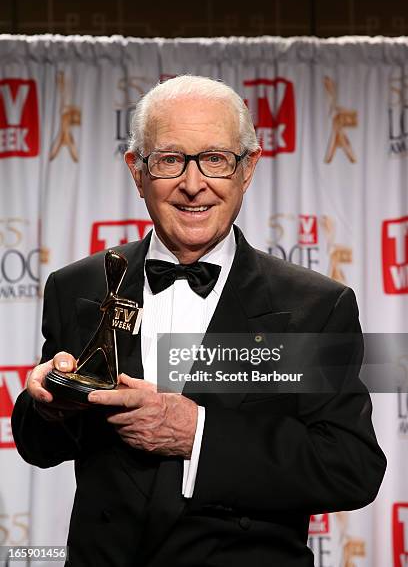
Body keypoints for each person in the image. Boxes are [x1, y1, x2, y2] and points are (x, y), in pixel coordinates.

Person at [12, 75, 386, 567]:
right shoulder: (79, 287)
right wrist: (48, 404)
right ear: (136, 170)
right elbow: (40, 446)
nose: (193, 184)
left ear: (247, 169)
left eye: (216, 159)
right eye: (170, 160)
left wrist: (198, 435)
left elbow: (350, 467)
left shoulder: (313, 307)